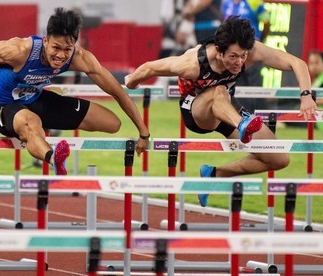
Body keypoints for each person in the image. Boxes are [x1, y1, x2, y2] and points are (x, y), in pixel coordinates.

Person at [124, 16, 317, 206]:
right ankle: (242, 124)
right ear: (219, 52)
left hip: (227, 108)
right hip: (196, 112)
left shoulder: (251, 51)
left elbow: (297, 63)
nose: (239, 62)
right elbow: (151, 68)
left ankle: (215, 174)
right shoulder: (193, 64)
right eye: (233, 56)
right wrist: (132, 81)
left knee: (278, 159)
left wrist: (306, 95)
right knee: (219, 91)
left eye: (243, 56)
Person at [0, 7, 150, 175]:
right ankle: (54, 159)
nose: (60, 56)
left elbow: (117, 91)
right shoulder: (20, 50)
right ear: (45, 40)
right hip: (5, 105)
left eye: (67, 49)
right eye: (56, 48)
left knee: (112, 123)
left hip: (37, 99)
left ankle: (41, 134)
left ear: (74, 45)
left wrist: (143, 132)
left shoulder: (79, 58)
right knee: (31, 122)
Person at [222, 0, 271, 113]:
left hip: (251, 50)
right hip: (234, 54)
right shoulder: (226, 4)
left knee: (255, 84)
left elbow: (267, 22)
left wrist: (259, 42)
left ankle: (264, 116)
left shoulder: (254, 2)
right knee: (238, 85)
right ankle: (245, 116)